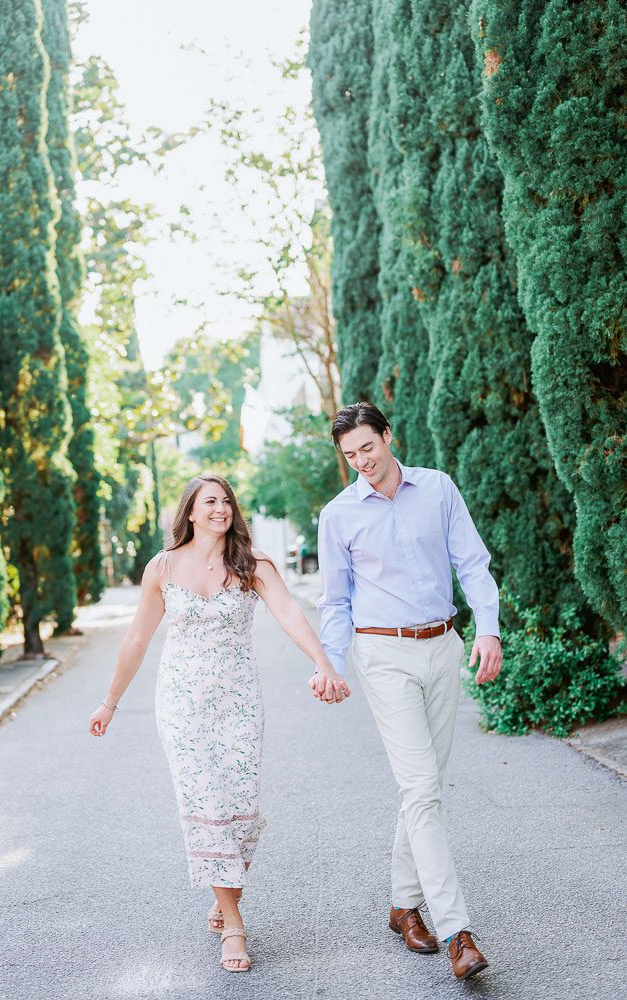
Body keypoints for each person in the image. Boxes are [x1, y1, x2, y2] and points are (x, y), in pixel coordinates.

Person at [89, 473, 350, 974]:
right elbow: (137, 640)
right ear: (189, 511)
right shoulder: (162, 568)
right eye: (210, 501)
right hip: (183, 706)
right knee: (206, 804)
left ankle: (222, 892)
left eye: (226, 500)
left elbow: (290, 614)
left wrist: (324, 663)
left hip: (240, 703)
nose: (221, 508)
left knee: (242, 811)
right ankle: (234, 923)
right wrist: (109, 703)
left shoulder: (250, 564)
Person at [311, 402, 502, 983]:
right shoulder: (338, 515)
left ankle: (401, 904)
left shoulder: (438, 489)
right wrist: (330, 662)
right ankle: (457, 932)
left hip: (442, 645)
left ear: (388, 437)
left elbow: (471, 562)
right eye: (350, 456)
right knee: (421, 788)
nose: (362, 462)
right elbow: (335, 601)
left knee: (422, 789)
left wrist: (488, 628)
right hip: (382, 654)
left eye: (368, 447)